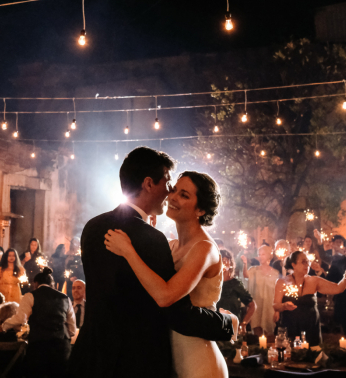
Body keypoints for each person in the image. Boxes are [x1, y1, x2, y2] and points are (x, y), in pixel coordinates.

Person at [69, 147, 235, 378]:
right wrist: (226, 323)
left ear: (201, 209)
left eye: (182, 194)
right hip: (137, 360)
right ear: (148, 184)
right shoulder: (157, 241)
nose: (170, 194)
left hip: (95, 354)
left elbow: (163, 299)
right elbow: (176, 312)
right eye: (170, 185)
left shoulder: (93, 227)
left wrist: (131, 250)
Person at [1, 268, 75, 377]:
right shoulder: (65, 298)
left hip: (40, 348)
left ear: (35, 283)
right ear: (52, 284)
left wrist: (4, 326)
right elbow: (72, 328)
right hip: (61, 348)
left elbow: (21, 318)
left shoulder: (30, 296)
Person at [274, 250, 346, 346]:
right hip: (290, 324)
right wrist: (284, 306)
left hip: (310, 326)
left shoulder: (314, 280)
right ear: (293, 264)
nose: (307, 265)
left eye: (308, 262)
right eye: (303, 262)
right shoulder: (282, 282)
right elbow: (276, 305)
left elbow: (338, 288)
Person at [246, 244, 278, 337]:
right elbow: (245, 277)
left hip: (269, 306)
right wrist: (245, 263)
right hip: (257, 304)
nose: (260, 256)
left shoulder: (275, 273)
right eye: (259, 254)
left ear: (269, 255)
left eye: (263, 254)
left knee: (269, 332)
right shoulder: (253, 270)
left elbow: (277, 292)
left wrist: (277, 311)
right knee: (257, 331)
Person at [218, 249, 255, 321]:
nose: (223, 263)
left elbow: (252, 305)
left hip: (231, 325)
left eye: (225, 260)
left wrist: (243, 323)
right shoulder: (211, 283)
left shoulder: (235, 284)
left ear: (230, 263)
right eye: (220, 260)